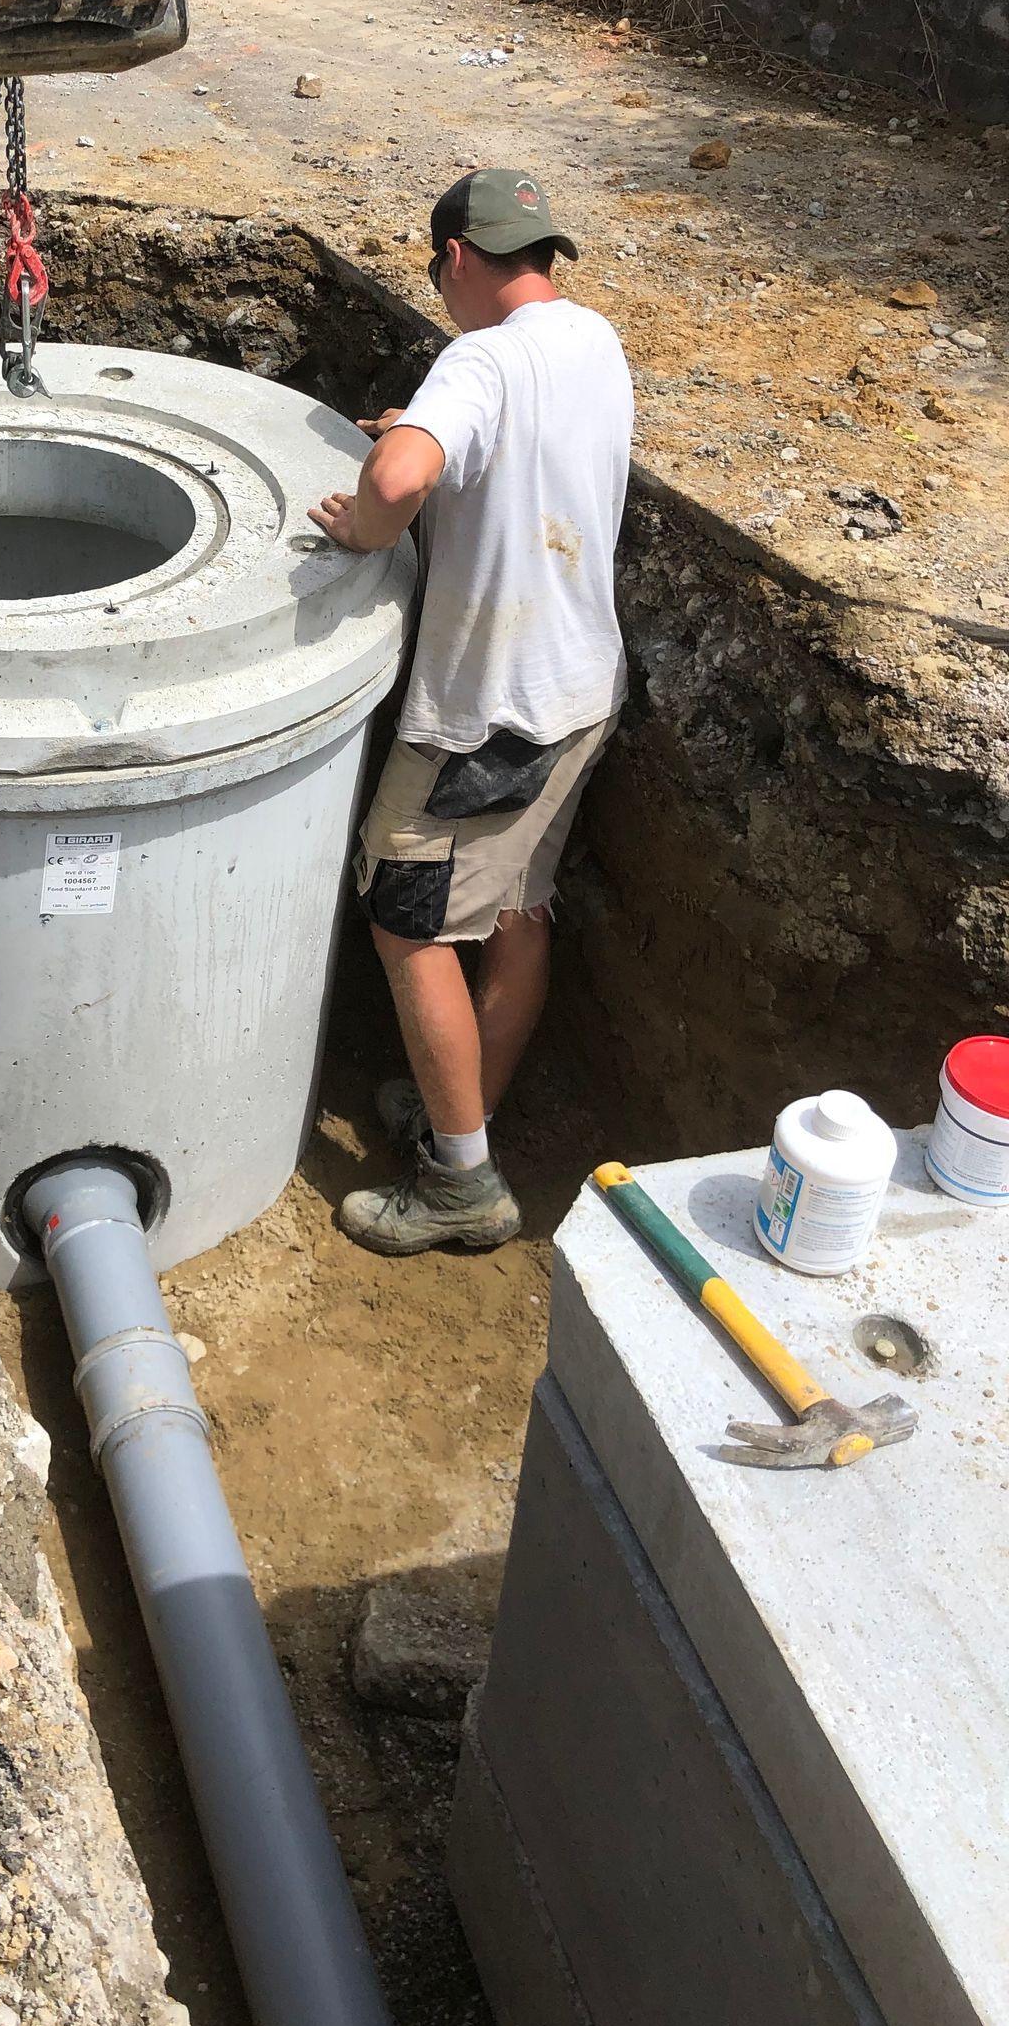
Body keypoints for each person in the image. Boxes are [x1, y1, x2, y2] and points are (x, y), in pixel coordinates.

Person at [309, 169, 632, 1255]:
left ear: (453, 258)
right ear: (543, 253)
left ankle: (461, 1183)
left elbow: (396, 480)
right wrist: (436, 430)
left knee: (406, 921)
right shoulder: (593, 338)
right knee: (516, 910)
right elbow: (522, 456)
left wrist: (363, 522)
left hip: (492, 716)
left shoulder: (478, 358)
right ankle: (468, 1110)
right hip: (584, 687)